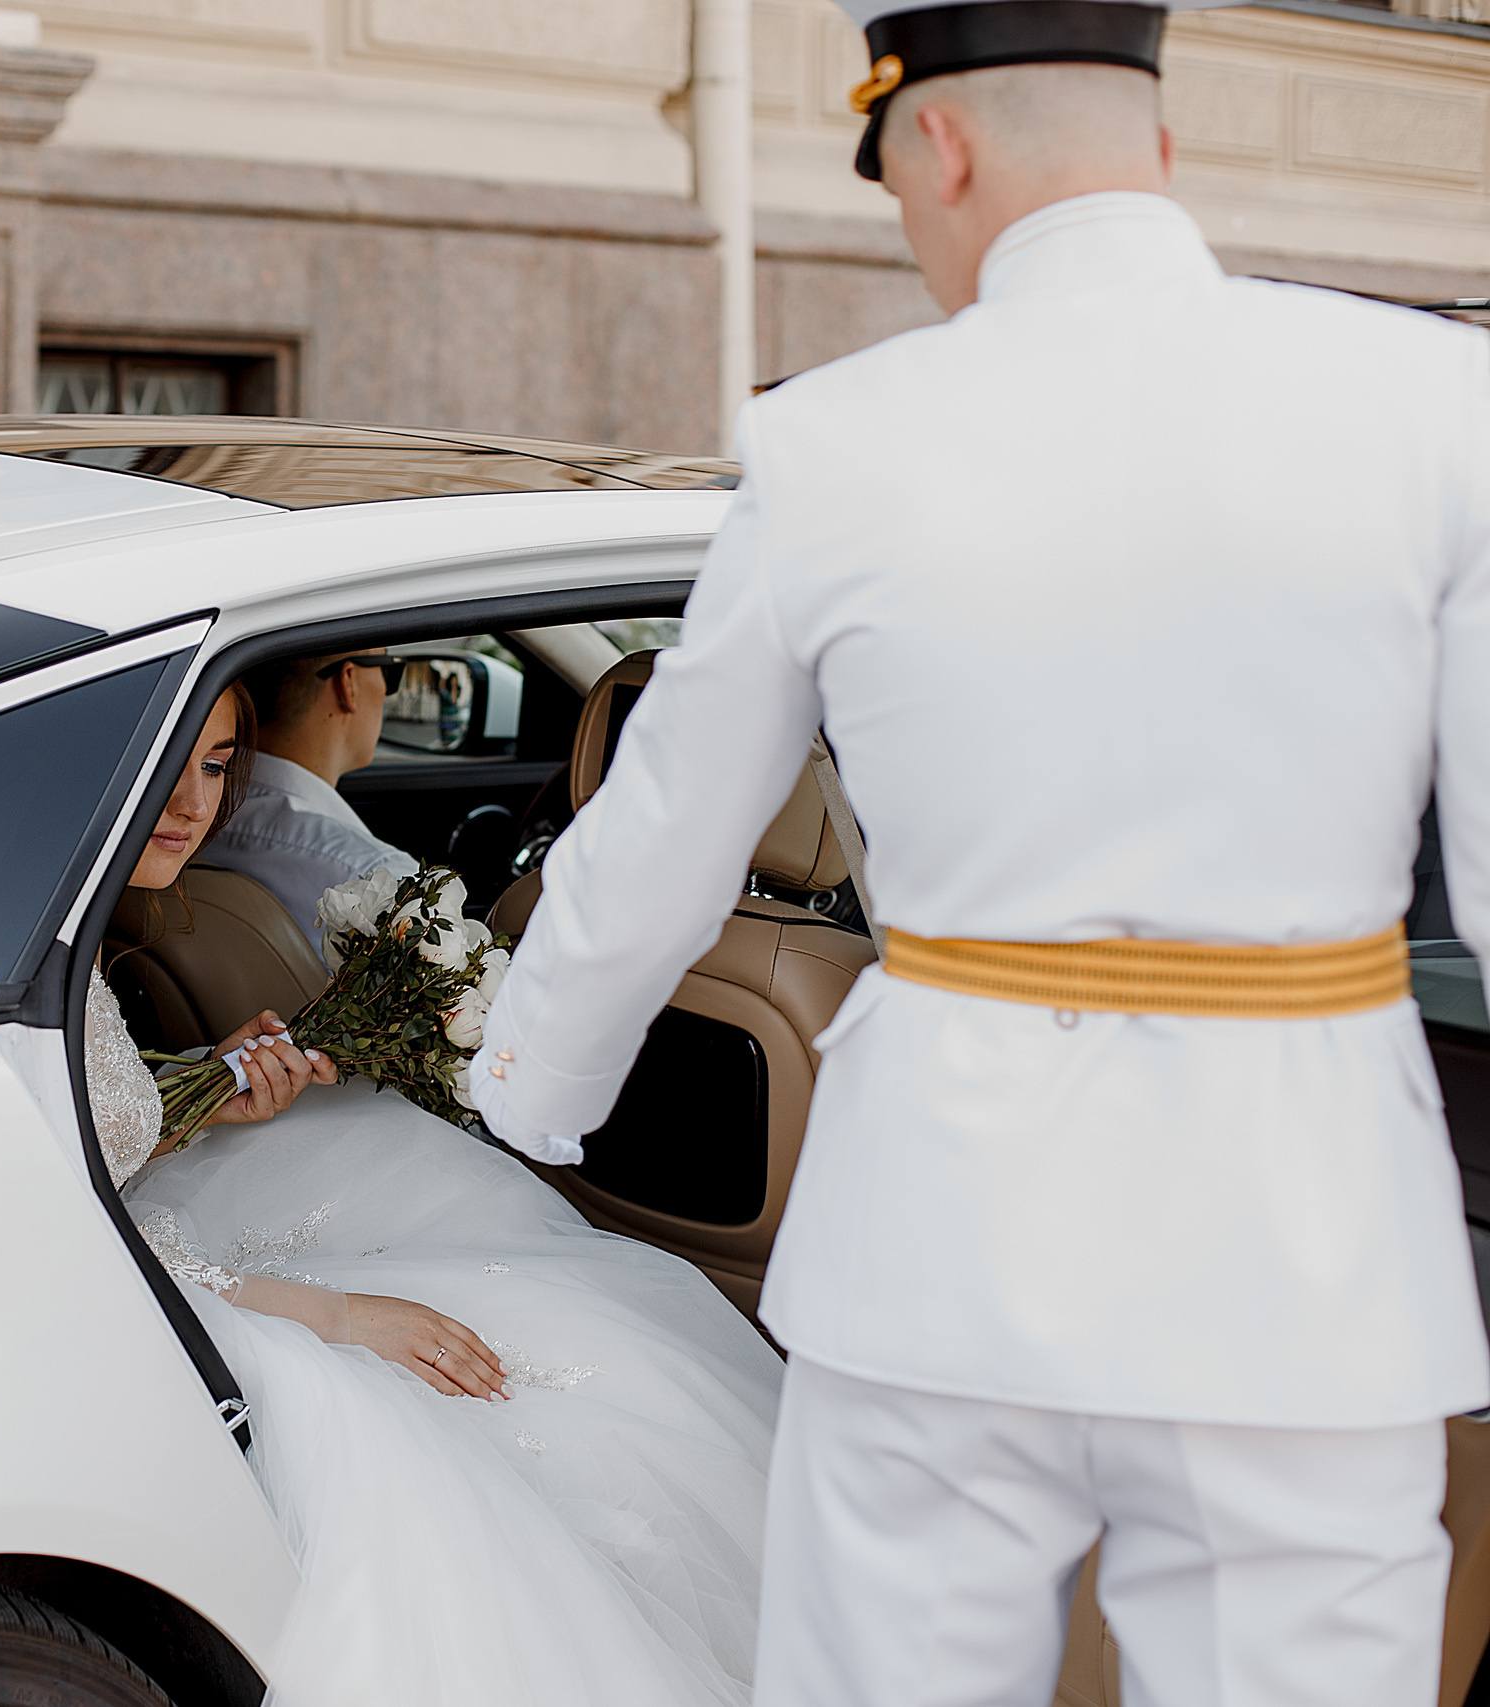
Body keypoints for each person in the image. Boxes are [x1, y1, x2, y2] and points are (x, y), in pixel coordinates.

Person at [472, 6, 1490, 1703]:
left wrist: (530, 1095)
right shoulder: (1443, 403)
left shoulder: (834, 443)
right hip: (1307, 1254)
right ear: (1156, 140)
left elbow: (662, 830)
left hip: (942, 1251)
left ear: (934, 145)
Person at [96, 683, 781, 1706]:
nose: (195, 805)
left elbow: (82, 1121)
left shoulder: (70, 928)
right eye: (169, 763)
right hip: (141, 1283)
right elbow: (80, 1230)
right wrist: (336, 1316)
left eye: (214, 765)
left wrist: (199, 1091)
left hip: (162, 1213)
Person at [203, 651, 418, 949]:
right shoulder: (381, 883)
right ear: (348, 683)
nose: (386, 690)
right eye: (391, 673)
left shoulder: (185, 829)